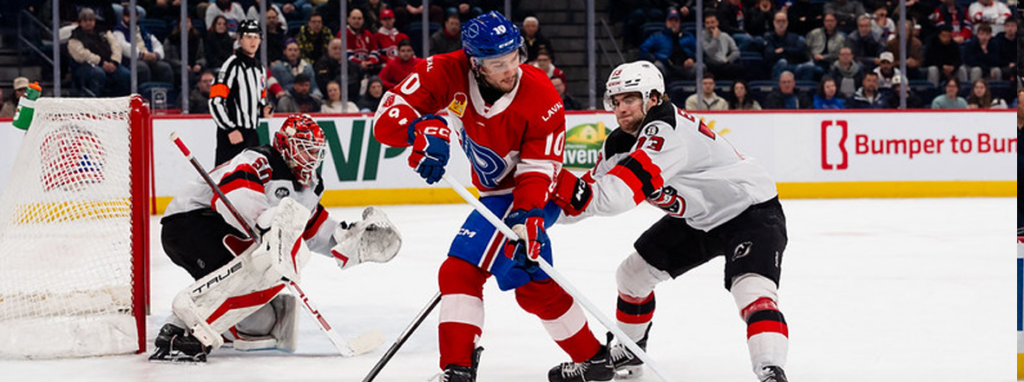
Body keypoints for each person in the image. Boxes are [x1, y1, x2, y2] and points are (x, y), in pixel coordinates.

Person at [372, 11, 614, 382]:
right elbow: (386, 122)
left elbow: (539, 170)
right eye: (498, 62)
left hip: (535, 191)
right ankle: (594, 360)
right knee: (531, 286)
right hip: (495, 193)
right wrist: (420, 131)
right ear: (475, 62)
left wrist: (526, 216)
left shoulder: (542, 96)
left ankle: (457, 369)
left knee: (460, 271)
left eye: (514, 56)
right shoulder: (442, 70)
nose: (510, 69)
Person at [550, 60, 790, 382]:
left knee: (751, 289)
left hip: (749, 211)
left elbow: (615, 197)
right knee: (632, 275)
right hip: (699, 217)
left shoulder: (665, 131)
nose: (620, 109)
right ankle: (630, 355)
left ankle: (770, 371)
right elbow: (586, 199)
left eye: (630, 99)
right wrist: (535, 214)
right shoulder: (618, 143)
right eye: (616, 101)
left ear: (653, 98)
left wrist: (550, 183)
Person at [149, 114, 401, 362]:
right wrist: (270, 226)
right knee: (256, 267)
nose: (312, 159)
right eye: (305, 150)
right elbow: (234, 199)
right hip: (191, 222)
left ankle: (216, 323)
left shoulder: (310, 184)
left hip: (224, 230)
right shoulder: (260, 160)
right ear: (285, 146)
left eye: (316, 152)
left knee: (261, 323)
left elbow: (311, 228)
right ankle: (177, 330)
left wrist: (348, 240)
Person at [209, 20, 273, 165]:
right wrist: (230, 129)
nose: (253, 41)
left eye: (256, 37)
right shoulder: (231, 65)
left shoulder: (259, 68)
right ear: (240, 39)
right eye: (249, 36)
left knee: (252, 180)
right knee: (226, 181)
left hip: (252, 134)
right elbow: (215, 101)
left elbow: (260, 99)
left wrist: (264, 109)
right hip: (233, 134)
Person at [68, 8, 131, 97]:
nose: (88, 23)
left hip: (110, 63)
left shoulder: (104, 31)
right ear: (80, 22)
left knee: (125, 74)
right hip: (86, 66)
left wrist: (115, 62)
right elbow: (82, 54)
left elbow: (116, 46)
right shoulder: (75, 36)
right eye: (85, 20)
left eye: (91, 20)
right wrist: (101, 62)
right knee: (98, 73)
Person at [113, 7, 174, 85]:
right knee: (142, 68)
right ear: (124, 17)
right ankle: (143, 94)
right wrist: (141, 55)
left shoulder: (143, 30)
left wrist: (156, 54)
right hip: (132, 60)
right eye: (128, 16)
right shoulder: (118, 31)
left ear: (137, 17)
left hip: (150, 57)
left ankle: (166, 93)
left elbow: (157, 44)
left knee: (165, 68)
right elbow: (123, 46)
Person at [763, 11, 817, 81]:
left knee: (810, 66)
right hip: (777, 66)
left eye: (783, 21)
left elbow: (801, 52)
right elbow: (769, 54)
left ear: (787, 23)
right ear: (774, 22)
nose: (781, 23)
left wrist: (783, 50)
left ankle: (802, 90)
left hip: (794, 66)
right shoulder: (769, 37)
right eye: (778, 21)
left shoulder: (795, 37)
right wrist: (789, 52)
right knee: (782, 62)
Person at [702, 13, 743, 81]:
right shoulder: (702, 37)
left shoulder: (725, 36)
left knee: (739, 68)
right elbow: (709, 53)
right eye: (707, 23)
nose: (710, 25)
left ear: (717, 23)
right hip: (712, 64)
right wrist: (715, 39)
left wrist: (728, 59)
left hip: (725, 63)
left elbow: (736, 51)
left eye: (712, 22)